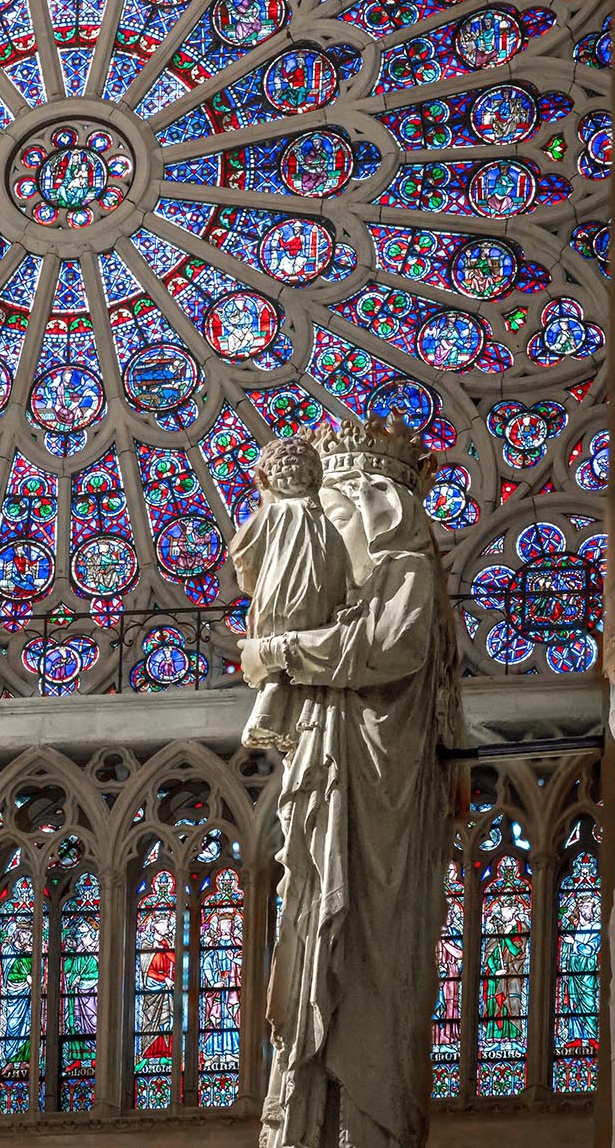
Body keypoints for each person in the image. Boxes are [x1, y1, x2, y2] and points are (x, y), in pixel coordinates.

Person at [240, 418, 465, 1148]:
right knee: (312, 946)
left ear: (378, 514)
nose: (326, 539)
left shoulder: (408, 575)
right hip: (328, 785)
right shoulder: (343, 593)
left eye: (336, 517)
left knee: (371, 971)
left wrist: (280, 650)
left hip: (380, 806)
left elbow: (387, 645)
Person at [229, 436, 350, 753]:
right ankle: (288, 722)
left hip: (278, 600)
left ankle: (268, 717)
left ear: (262, 479)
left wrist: (251, 583)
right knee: (296, 673)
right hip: (317, 609)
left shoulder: (273, 515)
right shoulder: (327, 526)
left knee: (275, 674)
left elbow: (242, 553)